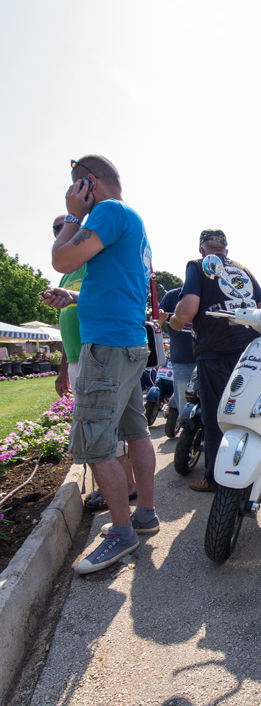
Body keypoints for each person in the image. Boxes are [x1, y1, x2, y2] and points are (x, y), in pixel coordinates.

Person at [51, 155, 158, 575]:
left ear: (87, 184)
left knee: (94, 444)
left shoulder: (108, 211)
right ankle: (144, 513)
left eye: (77, 188)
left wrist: (72, 217)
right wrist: (79, 299)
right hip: (129, 341)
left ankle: (120, 531)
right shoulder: (132, 219)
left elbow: (62, 260)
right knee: (136, 432)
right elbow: (118, 284)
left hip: (107, 348)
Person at [42, 216, 138, 512]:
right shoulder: (67, 273)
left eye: (68, 228)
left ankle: (123, 498)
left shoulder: (94, 259)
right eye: (57, 230)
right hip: (77, 354)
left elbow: (107, 297)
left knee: (101, 431)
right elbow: (65, 327)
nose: (62, 234)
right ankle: (116, 494)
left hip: (98, 351)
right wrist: (62, 369)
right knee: (103, 428)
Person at [169, 229, 261, 492]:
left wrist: (175, 321)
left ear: (202, 249)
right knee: (246, 413)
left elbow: (188, 308)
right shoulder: (244, 270)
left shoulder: (198, 265)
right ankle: (252, 475)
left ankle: (214, 479)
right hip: (249, 351)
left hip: (214, 352)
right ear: (226, 249)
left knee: (216, 417)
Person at [157, 286, 196, 416]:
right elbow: (157, 321)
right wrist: (160, 318)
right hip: (182, 359)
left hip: (210, 358)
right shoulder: (171, 296)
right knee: (184, 407)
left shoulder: (211, 292)